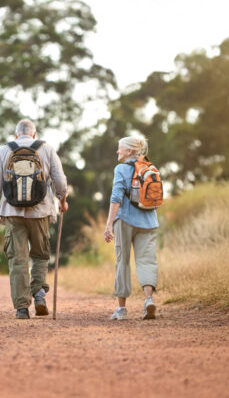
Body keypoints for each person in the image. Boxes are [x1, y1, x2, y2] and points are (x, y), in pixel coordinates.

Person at [0, 119, 68, 319]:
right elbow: (60, 181)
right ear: (34, 134)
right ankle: (39, 294)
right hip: (40, 211)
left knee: (18, 259)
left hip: (12, 213)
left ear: (16, 135)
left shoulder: (4, 150)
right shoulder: (46, 148)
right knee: (41, 255)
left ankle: (22, 308)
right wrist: (62, 200)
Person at [103, 135, 159, 320]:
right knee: (147, 261)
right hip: (149, 221)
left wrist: (109, 224)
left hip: (125, 220)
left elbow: (116, 197)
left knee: (123, 262)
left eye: (120, 148)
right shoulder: (150, 167)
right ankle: (148, 300)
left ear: (128, 151)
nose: (117, 151)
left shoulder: (121, 168)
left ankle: (121, 310)